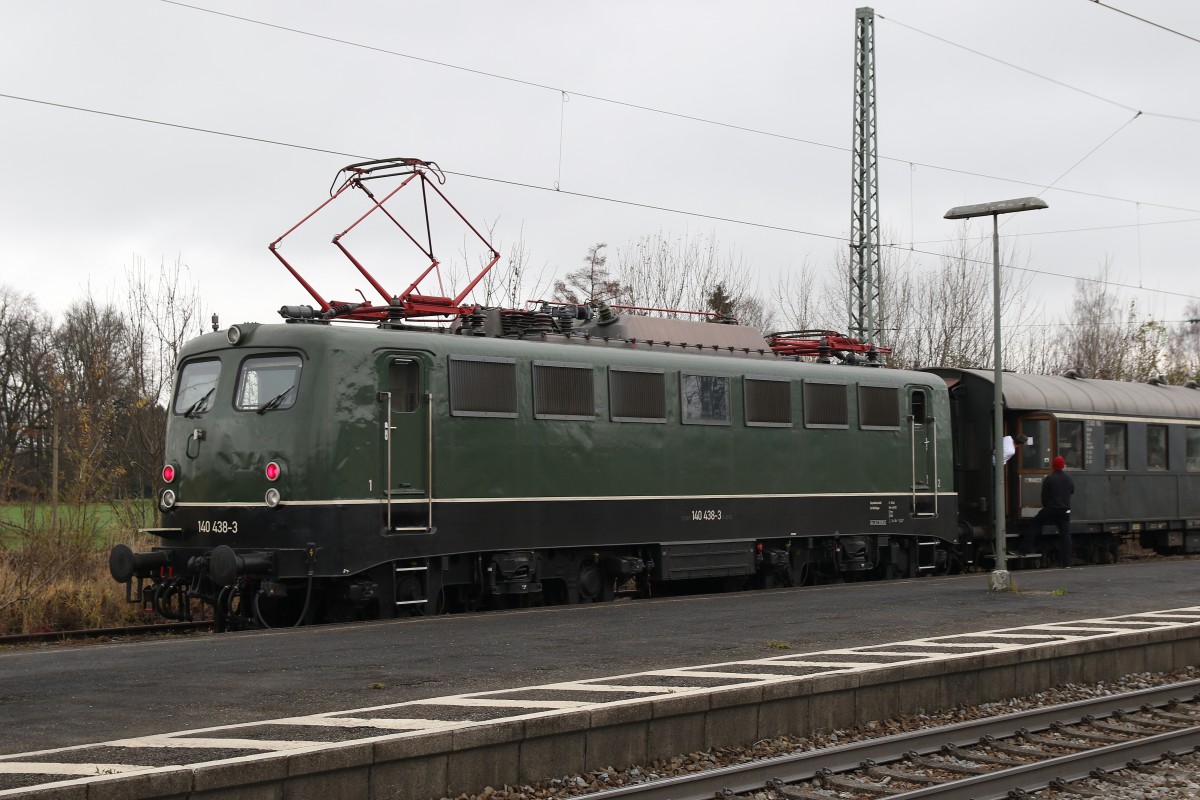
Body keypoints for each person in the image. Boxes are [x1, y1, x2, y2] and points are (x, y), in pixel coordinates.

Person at [1030, 456, 1075, 567]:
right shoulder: (1068, 478)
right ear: (1063, 466)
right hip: (1064, 511)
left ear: (1053, 466)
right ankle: (1067, 563)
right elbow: (1072, 491)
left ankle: (1024, 549)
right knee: (1065, 536)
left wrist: (1047, 507)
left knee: (1034, 525)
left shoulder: (1049, 479)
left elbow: (1044, 497)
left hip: (1050, 509)